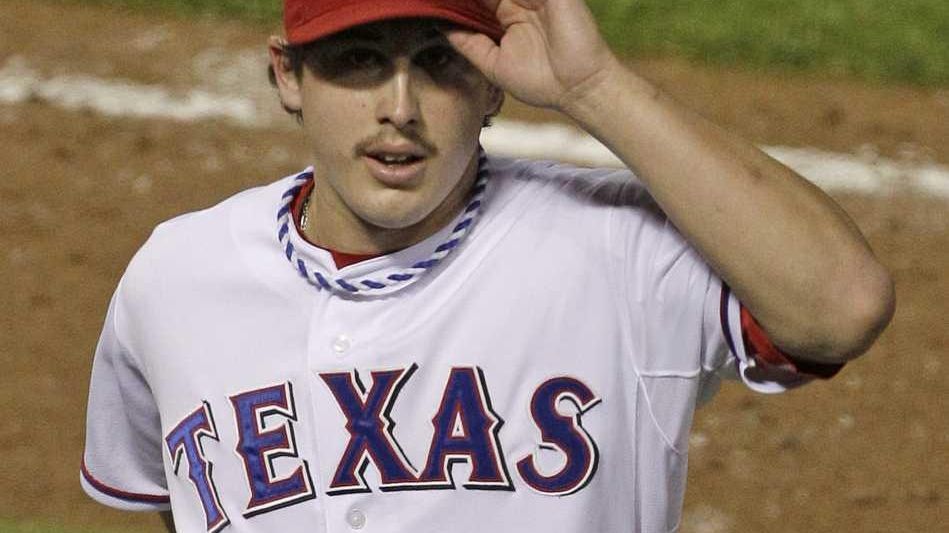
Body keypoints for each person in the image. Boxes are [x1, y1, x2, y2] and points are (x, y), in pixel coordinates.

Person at [80, 1, 895, 531]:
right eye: (359, 60)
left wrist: (593, 86)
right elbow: (176, 504)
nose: (398, 107)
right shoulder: (173, 279)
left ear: (493, 87)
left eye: (439, 64)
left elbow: (842, 305)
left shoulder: (616, 249)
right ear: (287, 76)